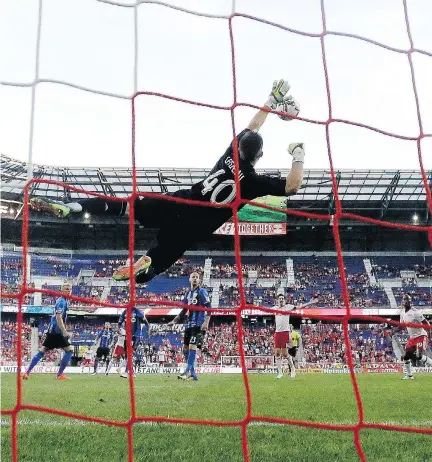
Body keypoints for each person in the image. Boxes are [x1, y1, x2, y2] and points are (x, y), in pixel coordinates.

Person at [29, 79, 305, 284]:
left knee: (125, 205)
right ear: (260, 155)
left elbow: (253, 127)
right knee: (155, 266)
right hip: (195, 226)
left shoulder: (229, 155)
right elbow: (292, 187)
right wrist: (297, 154)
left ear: (239, 146)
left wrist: (270, 101)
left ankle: (73, 206)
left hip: (180, 202)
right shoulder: (255, 182)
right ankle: (146, 265)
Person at [23, 283, 73, 380]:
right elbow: (59, 317)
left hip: (52, 331)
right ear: (62, 291)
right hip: (57, 332)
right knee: (69, 351)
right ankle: (59, 375)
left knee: (42, 351)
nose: (69, 291)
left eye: (70, 289)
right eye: (66, 289)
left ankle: (27, 373)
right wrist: (64, 331)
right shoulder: (62, 302)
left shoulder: (63, 301)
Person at [167, 271, 211, 381]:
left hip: (199, 325)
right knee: (185, 349)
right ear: (189, 279)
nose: (195, 279)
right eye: (193, 277)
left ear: (199, 280)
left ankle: (186, 372)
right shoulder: (187, 294)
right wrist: (174, 320)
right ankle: (193, 374)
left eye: (197, 277)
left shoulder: (202, 292)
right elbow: (184, 310)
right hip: (189, 324)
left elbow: (209, 308)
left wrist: (206, 322)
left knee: (192, 346)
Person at [273, 293, 317, 379]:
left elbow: (299, 307)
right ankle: (280, 373)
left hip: (285, 332)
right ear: (277, 300)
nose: (281, 299)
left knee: (285, 354)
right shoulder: (274, 308)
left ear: (284, 300)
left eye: (282, 298)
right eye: (280, 298)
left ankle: (292, 368)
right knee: (277, 353)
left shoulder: (288, 307)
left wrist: (310, 303)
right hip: (277, 332)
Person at [399, 294, 432, 380]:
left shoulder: (415, 312)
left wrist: (429, 336)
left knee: (419, 356)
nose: (406, 302)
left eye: (408, 300)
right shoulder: (402, 313)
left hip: (421, 335)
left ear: (410, 302)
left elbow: (427, 324)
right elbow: (402, 325)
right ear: (402, 301)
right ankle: (410, 375)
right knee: (406, 356)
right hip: (412, 338)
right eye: (404, 300)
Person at [118, 307, 150, 378]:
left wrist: (148, 330)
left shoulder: (138, 311)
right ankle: (132, 372)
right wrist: (119, 328)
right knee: (127, 355)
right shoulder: (125, 312)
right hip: (127, 336)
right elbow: (120, 322)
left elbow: (146, 322)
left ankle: (127, 372)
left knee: (130, 354)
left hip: (136, 336)